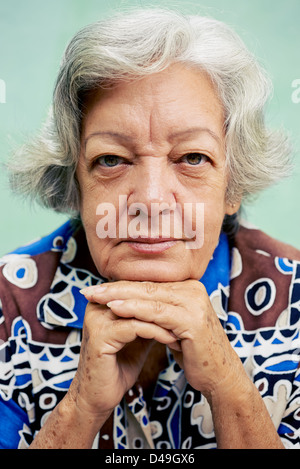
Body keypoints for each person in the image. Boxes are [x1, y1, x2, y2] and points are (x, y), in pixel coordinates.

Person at [0, 8, 299, 449]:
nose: (151, 200)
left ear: (232, 186)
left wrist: (228, 386)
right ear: (75, 183)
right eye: (112, 160)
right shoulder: (9, 306)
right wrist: (80, 409)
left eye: (192, 158)